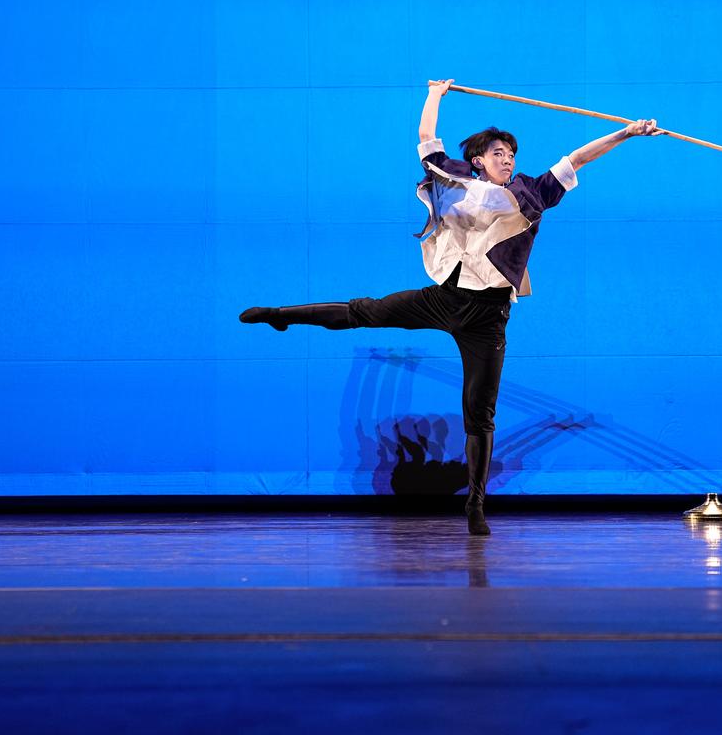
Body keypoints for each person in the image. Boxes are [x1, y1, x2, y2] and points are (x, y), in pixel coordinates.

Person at [241, 79, 662, 535]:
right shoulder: (452, 177)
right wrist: (435, 95)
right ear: (480, 160)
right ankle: (279, 316)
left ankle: (476, 507)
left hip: (488, 316)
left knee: (479, 411)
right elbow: (426, 138)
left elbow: (577, 159)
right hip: (444, 297)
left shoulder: (532, 193)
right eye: (499, 153)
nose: (508, 160)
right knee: (366, 311)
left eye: (512, 154)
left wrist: (627, 133)